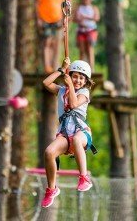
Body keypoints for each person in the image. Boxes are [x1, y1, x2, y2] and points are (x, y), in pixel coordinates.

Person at [41, 58, 95, 208]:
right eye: (75, 76)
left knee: (77, 140)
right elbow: (46, 83)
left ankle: (84, 177)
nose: (77, 80)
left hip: (81, 132)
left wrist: (70, 84)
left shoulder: (84, 92)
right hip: (65, 133)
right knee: (49, 152)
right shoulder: (61, 91)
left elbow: (73, 104)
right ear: (69, 75)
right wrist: (61, 69)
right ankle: (51, 189)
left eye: (81, 78)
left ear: (85, 81)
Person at [34, 0, 63, 73]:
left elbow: (62, 4)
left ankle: (52, 65)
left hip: (56, 20)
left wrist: (63, 18)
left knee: (53, 43)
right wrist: (38, 19)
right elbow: (36, 4)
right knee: (47, 42)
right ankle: (46, 65)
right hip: (45, 19)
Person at [74, 0, 100, 72]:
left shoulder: (93, 8)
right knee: (82, 49)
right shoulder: (79, 8)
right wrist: (79, 19)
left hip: (91, 30)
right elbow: (75, 19)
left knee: (89, 48)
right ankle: (80, 68)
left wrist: (85, 17)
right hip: (81, 30)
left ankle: (91, 67)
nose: (85, 0)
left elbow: (97, 18)